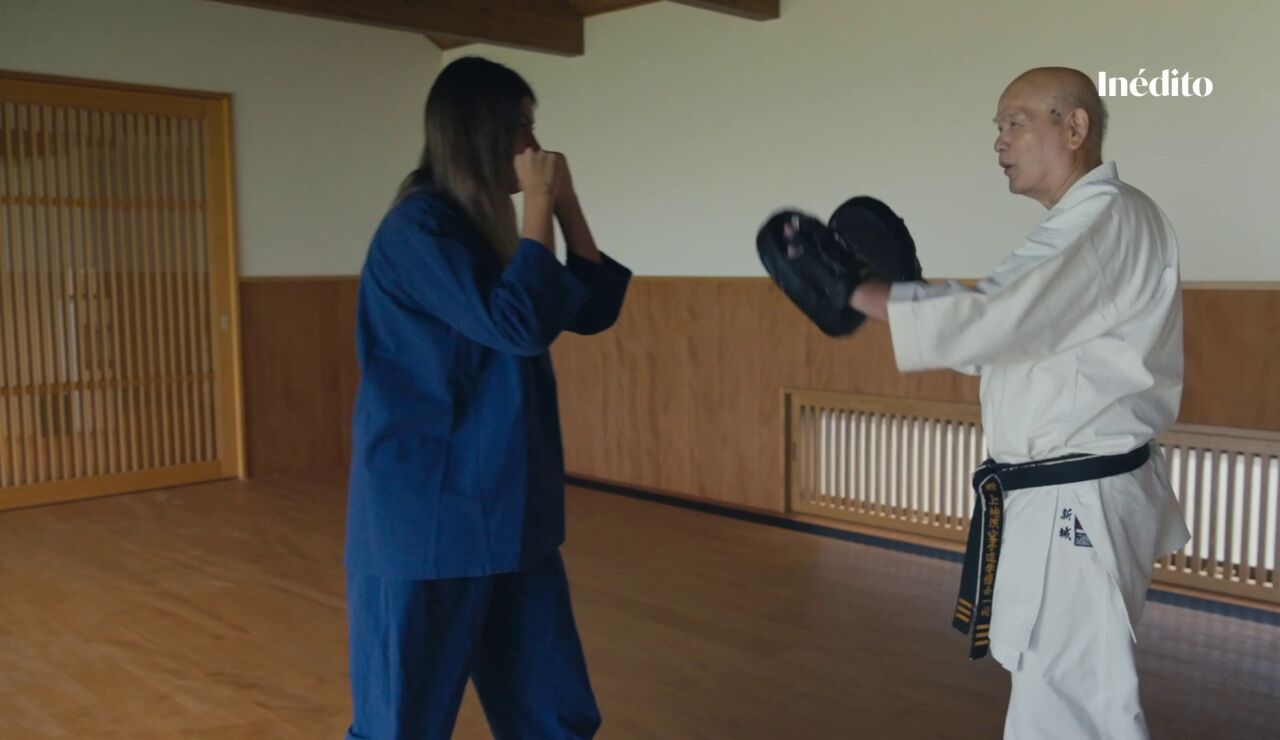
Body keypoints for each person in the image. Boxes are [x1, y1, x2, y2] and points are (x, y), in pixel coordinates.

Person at [849, 67, 1191, 739]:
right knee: (1060, 688)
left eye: (1016, 122)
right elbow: (1008, 337)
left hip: (1077, 504)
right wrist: (912, 295)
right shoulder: (1096, 221)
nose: (1000, 141)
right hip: (1073, 496)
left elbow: (1003, 313)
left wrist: (859, 294)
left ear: (1075, 127)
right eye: (997, 128)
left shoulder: (1104, 214)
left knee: (1072, 705)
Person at [343, 56, 631, 739]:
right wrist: (536, 205)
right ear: (478, 132)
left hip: (509, 505)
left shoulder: (490, 230)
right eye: (520, 128)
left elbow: (591, 308)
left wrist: (564, 202)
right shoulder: (419, 230)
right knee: (400, 720)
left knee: (552, 711)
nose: (534, 147)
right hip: (427, 517)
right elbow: (521, 324)